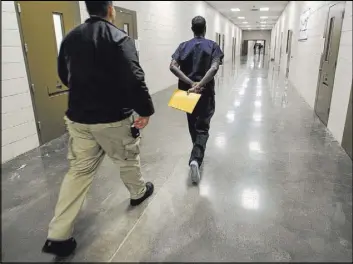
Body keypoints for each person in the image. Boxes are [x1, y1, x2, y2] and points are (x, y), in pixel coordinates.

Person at [42, 1, 155, 257]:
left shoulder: (70, 37)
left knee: (78, 171)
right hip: (112, 119)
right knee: (127, 157)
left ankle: (58, 235)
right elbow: (135, 77)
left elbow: (64, 73)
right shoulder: (119, 38)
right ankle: (138, 193)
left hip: (79, 119)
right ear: (110, 9)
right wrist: (146, 110)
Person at [169, 16, 224, 184]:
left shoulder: (183, 46)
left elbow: (172, 66)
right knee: (203, 127)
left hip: (186, 92)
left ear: (192, 28)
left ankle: (196, 151)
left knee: (192, 124)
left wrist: (190, 83)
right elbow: (214, 67)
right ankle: (195, 159)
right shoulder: (213, 46)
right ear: (205, 28)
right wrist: (200, 83)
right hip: (205, 92)